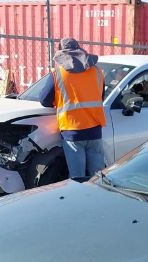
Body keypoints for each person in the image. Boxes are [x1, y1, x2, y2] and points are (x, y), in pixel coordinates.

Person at [39, 38, 106, 179]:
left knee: (77, 178)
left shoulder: (57, 73)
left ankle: (80, 201)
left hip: (72, 132)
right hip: (95, 131)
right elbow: (101, 96)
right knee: (98, 178)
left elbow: (44, 100)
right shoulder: (97, 71)